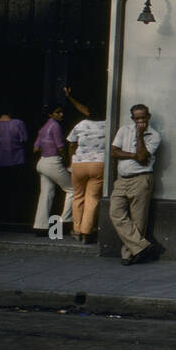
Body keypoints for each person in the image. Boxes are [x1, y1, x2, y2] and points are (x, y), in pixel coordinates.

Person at [109, 104, 162, 265]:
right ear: (132, 118)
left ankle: (129, 255)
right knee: (115, 212)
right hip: (122, 179)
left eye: (143, 118)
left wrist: (139, 136)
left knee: (138, 220)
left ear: (148, 116)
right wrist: (132, 154)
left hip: (141, 179)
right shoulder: (124, 130)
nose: (140, 121)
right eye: (137, 118)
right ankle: (143, 247)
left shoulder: (154, 136)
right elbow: (113, 152)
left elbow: (142, 157)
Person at [64, 87, 107, 244]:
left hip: (79, 163)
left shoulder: (81, 124)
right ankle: (86, 233)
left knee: (78, 196)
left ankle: (76, 229)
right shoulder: (108, 125)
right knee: (92, 198)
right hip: (98, 164)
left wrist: (71, 160)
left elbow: (70, 143)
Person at [32, 104, 73, 236]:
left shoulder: (43, 128)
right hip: (53, 161)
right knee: (73, 189)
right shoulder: (55, 126)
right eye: (57, 112)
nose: (61, 114)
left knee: (46, 193)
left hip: (42, 162)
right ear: (51, 114)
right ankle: (65, 221)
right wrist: (66, 160)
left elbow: (35, 148)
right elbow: (60, 147)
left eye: (61, 112)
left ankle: (40, 225)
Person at [0, 109, 28, 225]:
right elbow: (24, 139)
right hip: (16, 160)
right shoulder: (18, 123)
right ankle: (14, 216)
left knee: (0, 190)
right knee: (15, 190)